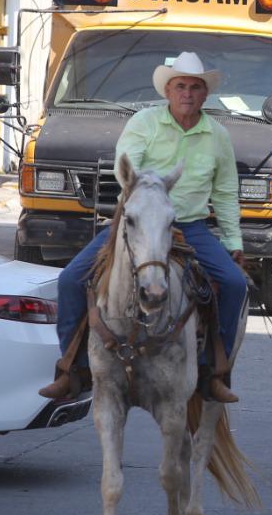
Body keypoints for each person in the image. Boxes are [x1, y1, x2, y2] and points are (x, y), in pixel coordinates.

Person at [40, 52, 247, 404]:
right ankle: (71, 368)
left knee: (234, 283)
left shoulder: (217, 135)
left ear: (204, 95)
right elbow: (129, 170)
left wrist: (232, 240)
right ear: (168, 90)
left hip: (190, 226)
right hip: (138, 223)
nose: (187, 93)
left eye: (195, 87)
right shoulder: (144, 123)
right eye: (180, 86)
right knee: (71, 279)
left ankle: (214, 372)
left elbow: (225, 192)